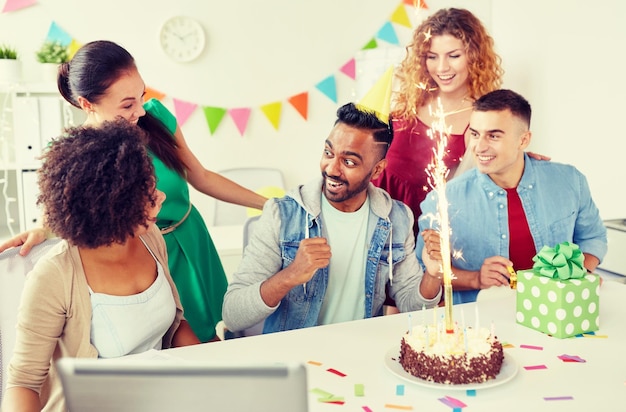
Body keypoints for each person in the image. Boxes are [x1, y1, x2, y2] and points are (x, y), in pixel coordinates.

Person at [0, 40, 268, 342]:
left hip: (190, 240)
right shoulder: (74, 154)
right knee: (166, 345)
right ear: (87, 104)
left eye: (141, 96)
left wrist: (269, 204)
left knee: (212, 337)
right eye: (127, 104)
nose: (140, 111)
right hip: (143, 259)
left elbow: (202, 176)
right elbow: (62, 217)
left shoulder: (155, 118)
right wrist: (41, 231)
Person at [1, 120, 200, 412]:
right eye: (146, 194)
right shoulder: (54, 275)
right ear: (114, 206)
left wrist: (213, 369)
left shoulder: (151, 238)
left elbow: (175, 326)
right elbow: (24, 383)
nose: (161, 197)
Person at [222, 103, 443, 334]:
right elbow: (233, 314)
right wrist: (290, 276)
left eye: (349, 162)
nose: (332, 169)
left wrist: (433, 274)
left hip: (358, 351)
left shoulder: (396, 218)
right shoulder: (281, 215)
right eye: (328, 153)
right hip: (294, 357)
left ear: (377, 170)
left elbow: (414, 307)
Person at [416, 89, 608, 304]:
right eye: (475, 134)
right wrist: (476, 278)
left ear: (523, 140)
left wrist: (576, 276)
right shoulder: (443, 200)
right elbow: (426, 271)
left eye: (494, 135)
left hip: (559, 313)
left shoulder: (569, 181)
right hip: (484, 326)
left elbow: (593, 238)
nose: (479, 147)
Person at [371, 8, 505, 236]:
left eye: (454, 56)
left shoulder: (480, 119)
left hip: (426, 232)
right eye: (432, 57)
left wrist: (519, 158)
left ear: (474, 57)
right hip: (375, 216)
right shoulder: (408, 101)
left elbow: (485, 181)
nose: (442, 68)